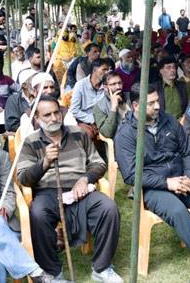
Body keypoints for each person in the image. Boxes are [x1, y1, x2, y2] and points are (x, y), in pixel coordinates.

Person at [115, 83, 190, 282]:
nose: (157, 106)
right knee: (178, 211)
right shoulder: (126, 134)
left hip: (183, 178)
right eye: (151, 103)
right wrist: (167, 183)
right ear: (136, 105)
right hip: (154, 187)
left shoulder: (170, 121)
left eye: (158, 101)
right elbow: (131, 175)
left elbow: (188, 151)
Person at [16, 95, 123, 282]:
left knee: (109, 208)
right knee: (37, 214)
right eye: (47, 115)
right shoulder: (30, 142)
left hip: (79, 188)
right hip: (48, 191)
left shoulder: (78, 134)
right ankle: (53, 273)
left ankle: (102, 267)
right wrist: (45, 162)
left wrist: (85, 179)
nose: (53, 118)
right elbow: (24, 178)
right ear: (37, 119)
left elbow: (98, 163)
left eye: (56, 112)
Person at [0, 146, 58, 283]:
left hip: (2, 227)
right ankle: (35, 272)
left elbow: (9, 192)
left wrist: (5, 209)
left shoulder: (0, 157)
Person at [69, 57, 114, 137]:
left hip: (102, 120)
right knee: (88, 134)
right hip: (84, 120)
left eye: (108, 70)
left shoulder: (107, 86)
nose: (107, 73)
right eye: (104, 69)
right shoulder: (80, 85)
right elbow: (74, 110)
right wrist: (92, 120)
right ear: (94, 70)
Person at [92, 71, 131, 140]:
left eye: (120, 83)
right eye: (113, 84)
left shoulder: (130, 97)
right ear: (105, 87)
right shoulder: (99, 107)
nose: (118, 87)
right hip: (121, 140)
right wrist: (113, 108)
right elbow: (107, 133)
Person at [156, 55, 190, 120]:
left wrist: (184, 118)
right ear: (161, 71)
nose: (172, 70)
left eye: (174, 67)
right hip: (163, 124)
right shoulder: (155, 88)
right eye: (168, 68)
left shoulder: (183, 86)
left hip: (182, 122)